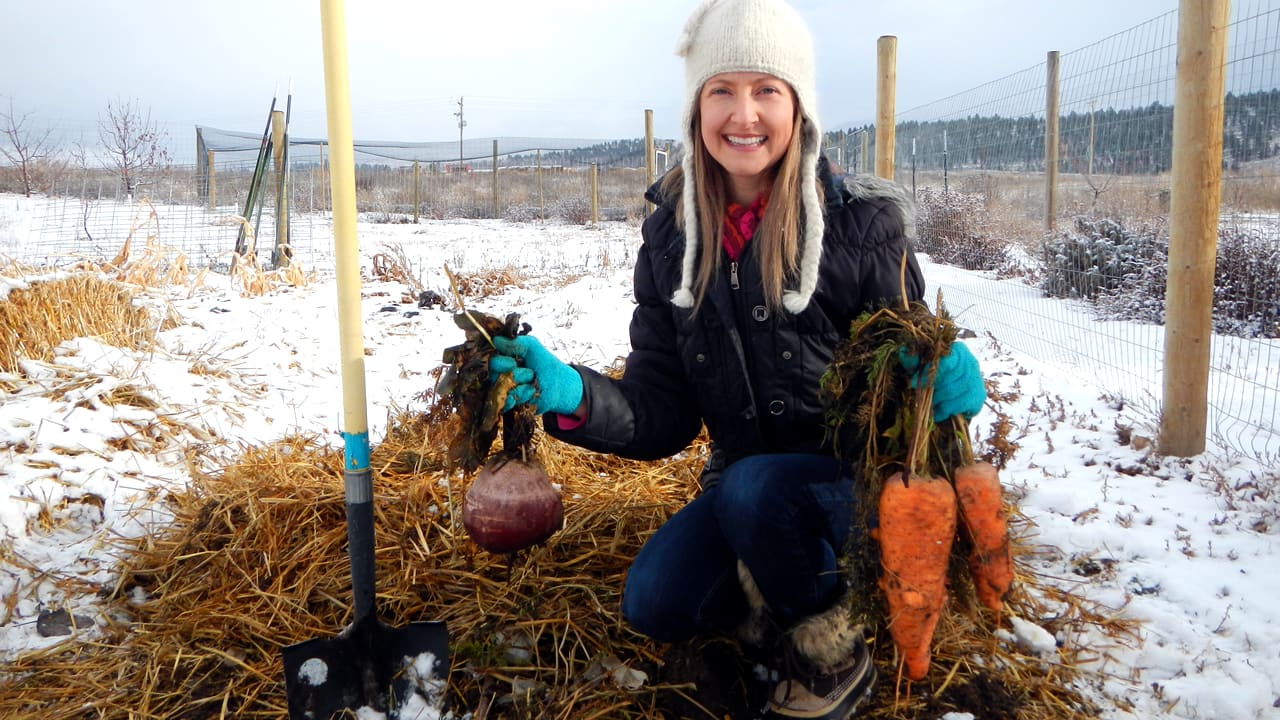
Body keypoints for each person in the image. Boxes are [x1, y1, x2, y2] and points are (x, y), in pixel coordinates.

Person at [488, 0, 986, 717]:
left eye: (766, 91)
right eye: (721, 90)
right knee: (655, 601)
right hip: (746, 488)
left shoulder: (862, 229)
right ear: (695, 108)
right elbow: (662, 414)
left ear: (799, 108)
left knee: (757, 489)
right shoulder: (670, 242)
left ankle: (833, 649)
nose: (742, 114)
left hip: (855, 486)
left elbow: (915, 360)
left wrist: (947, 385)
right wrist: (573, 395)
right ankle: (769, 598)